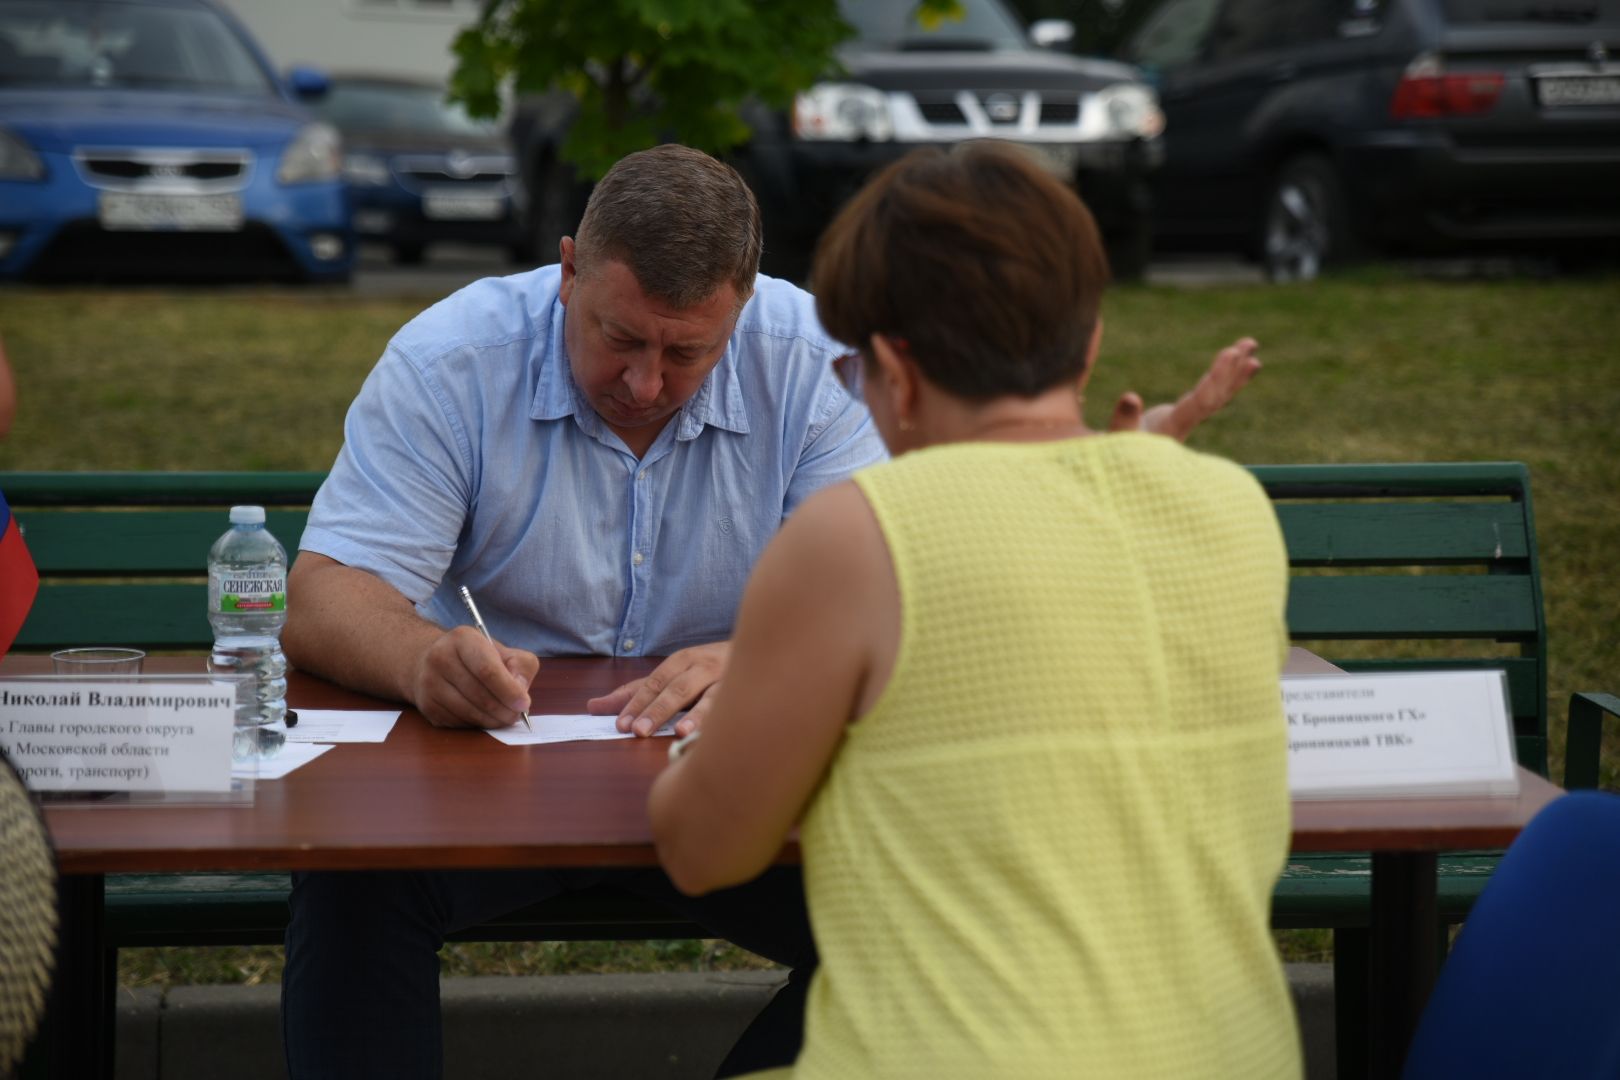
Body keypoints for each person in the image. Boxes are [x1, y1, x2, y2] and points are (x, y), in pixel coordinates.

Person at [282, 143, 1260, 1079]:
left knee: (895, 908)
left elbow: (891, 592)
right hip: (498, 778)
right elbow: (326, 593)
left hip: (730, 781)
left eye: (687, 352)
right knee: (355, 882)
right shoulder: (454, 359)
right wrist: (422, 660)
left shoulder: (812, 366)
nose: (645, 383)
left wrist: (760, 661)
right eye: (620, 338)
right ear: (569, 272)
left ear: (747, 309)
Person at [648, 141, 1301, 1078]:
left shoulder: (855, 538)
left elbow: (702, 851)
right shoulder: (1234, 509)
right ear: (1089, 343)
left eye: (856, 378)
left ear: (897, 370)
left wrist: (715, 734)